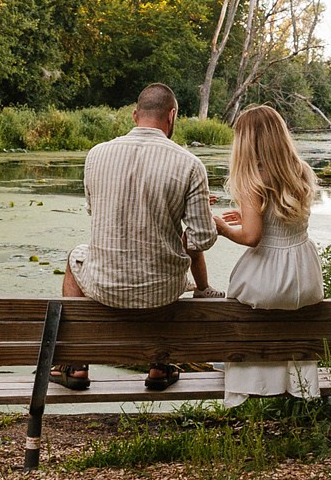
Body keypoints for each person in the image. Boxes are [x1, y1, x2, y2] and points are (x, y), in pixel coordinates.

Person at [55, 83, 217, 392]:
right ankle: (160, 364)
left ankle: (75, 364)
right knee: (171, 264)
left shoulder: (96, 154)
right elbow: (202, 239)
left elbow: (96, 211)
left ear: (134, 115)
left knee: (77, 255)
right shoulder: (190, 164)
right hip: (162, 291)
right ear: (172, 116)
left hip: (105, 285)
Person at [212, 103, 325, 404]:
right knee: (291, 319)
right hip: (303, 275)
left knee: (236, 299)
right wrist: (248, 213)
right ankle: (290, 383)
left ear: (248, 142)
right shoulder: (301, 170)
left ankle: (243, 373)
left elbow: (251, 237)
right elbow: (281, 219)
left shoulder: (253, 179)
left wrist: (222, 227)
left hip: (269, 277)